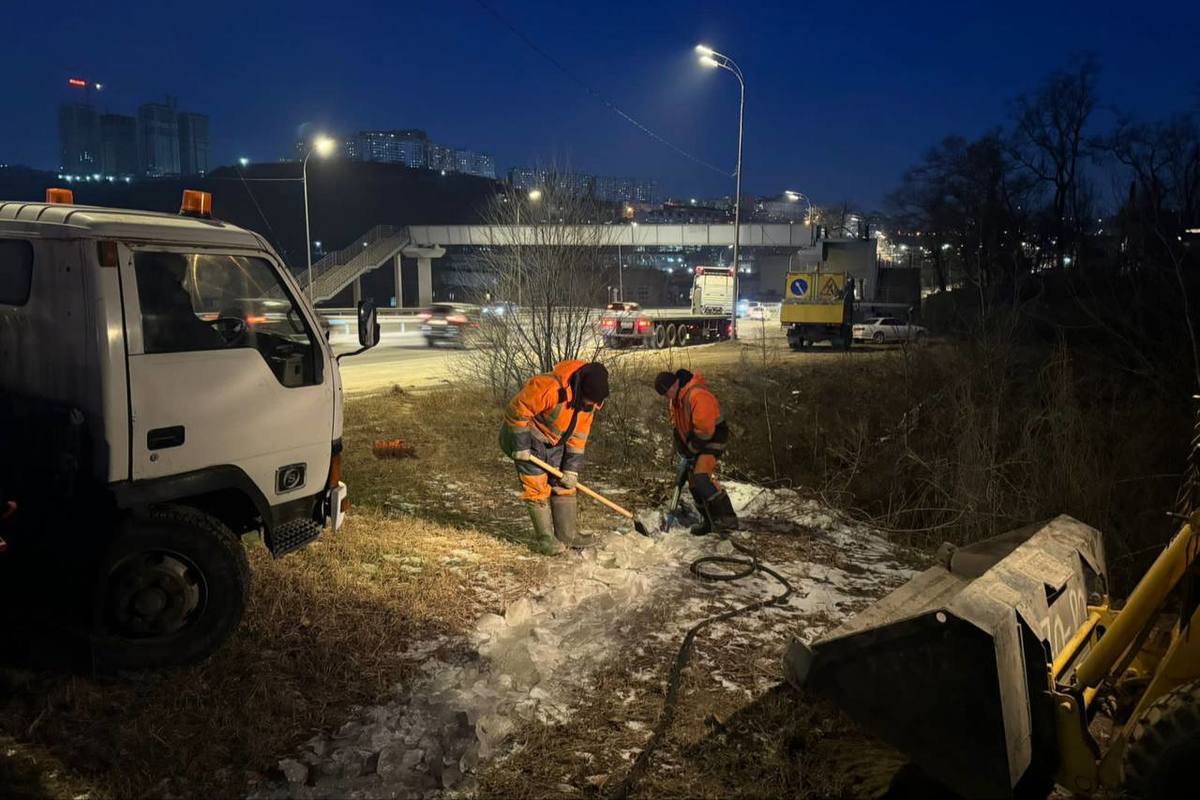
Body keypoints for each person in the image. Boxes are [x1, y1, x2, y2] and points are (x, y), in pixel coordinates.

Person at [500, 360, 609, 553]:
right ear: (580, 388)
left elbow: (578, 436)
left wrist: (571, 470)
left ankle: (567, 535)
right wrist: (521, 445)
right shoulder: (549, 387)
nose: (591, 405)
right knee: (536, 486)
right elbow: (517, 410)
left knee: (565, 484)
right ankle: (546, 540)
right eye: (589, 400)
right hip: (527, 436)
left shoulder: (590, 404)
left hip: (555, 442)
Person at [654, 369, 738, 535]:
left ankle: (727, 519)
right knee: (693, 483)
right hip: (696, 441)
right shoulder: (675, 400)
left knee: (701, 477)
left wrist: (691, 449)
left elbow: (705, 430)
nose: (667, 397)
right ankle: (708, 521)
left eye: (667, 392)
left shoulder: (697, 395)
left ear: (675, 384)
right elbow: (678, 428)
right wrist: (682, 448)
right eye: (664, 395)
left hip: (713, 438)